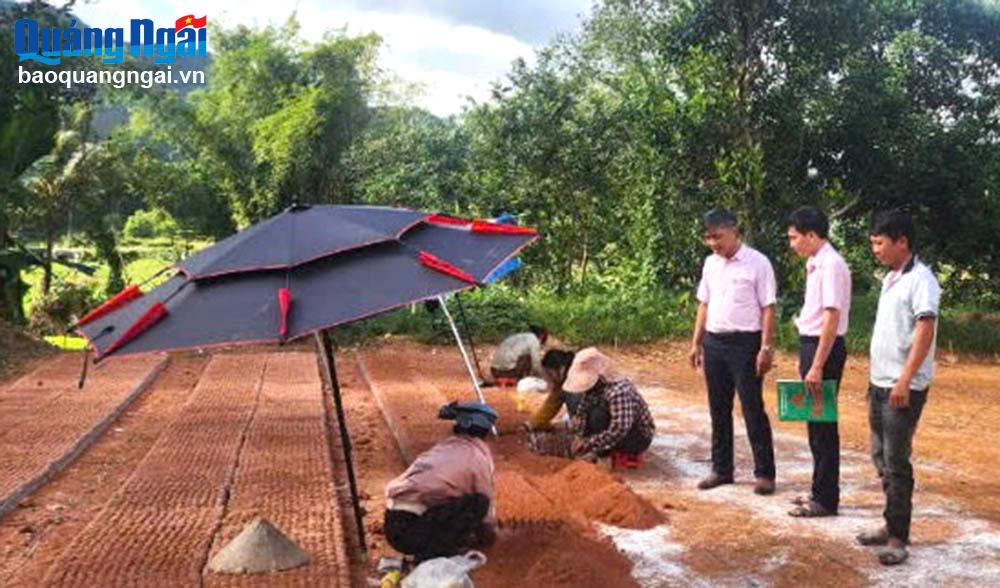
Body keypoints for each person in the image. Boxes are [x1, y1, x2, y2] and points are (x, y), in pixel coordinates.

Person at [856, 210, 940, 566]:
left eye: (880, 243)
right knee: (880, 456)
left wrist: (905, 379)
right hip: (880, 384)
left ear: (901, 241)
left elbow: (924, 330)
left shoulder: (922, 279)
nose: (875, 249)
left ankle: (897, 537)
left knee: (896, 461)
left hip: (901, 388)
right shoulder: (892, 278)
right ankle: (891, 521)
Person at [689, 208, 778, 495]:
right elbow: (704, 304)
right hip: (715, 342)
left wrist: (766, 347)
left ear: (734, 231)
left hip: (746, 344)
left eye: (718, 237)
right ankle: (721, 469)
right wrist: (696, 342)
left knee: (752, 408)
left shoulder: (758, 263)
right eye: (708, 238)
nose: (714, 243)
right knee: (719, 408)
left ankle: (764, 473)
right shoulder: (710, 264)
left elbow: (768, 307)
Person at [786, 206, 852, 518]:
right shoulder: (815, 263)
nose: (792, 244)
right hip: (812, 345)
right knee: (813, 423)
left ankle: (826, 499)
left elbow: (832, 315)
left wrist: (816, 365)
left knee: (823, 425)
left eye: (794, 237)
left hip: (824, 348)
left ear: (812, 235)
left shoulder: (832, 265)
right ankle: (818, 491)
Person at [383, 401, 499, 563]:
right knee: (479, 502)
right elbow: (486, 503)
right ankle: (434, 553)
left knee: (451, 498)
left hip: (392, 524)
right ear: (485, 432)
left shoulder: (440, 449)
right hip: (413, 533)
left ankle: (433, 546)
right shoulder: (478, 457)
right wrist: (488, 537)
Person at [563, 348, 655, 463]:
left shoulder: (619, 391)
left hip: (637, 437)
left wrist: (588, 443)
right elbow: (583, 410)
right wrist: (578, 434)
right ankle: (599, 448)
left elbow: (619, 429)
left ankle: (603, 453)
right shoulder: (596, 388)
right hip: (615, 430)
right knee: (575, 400)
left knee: (598, 415)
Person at [525, 349, 576, 429]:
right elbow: (551, 404)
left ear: (561, 368)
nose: (550, 378)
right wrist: (533, 423)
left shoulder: (576, 377)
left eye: (550, 374)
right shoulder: (562, 381)